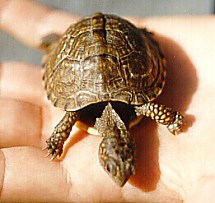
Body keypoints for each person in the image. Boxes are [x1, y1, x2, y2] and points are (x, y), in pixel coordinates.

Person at [0, 0, 215, 202]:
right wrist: (57, 140)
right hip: (113, 35)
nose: (122, 177)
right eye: (117, 168)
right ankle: (59, 44)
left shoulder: (124, 108)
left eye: (125, 167)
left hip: (120, 34)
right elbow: (72, 115)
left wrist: (172, 120)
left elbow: (72, 115)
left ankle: (61, 43)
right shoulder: (137, 105)